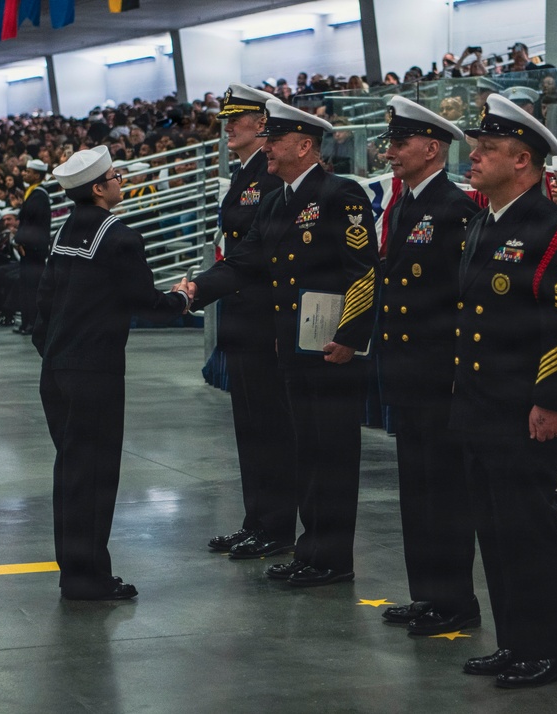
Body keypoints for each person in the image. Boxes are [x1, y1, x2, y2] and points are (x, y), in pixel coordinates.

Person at [187, 99, 380, 588]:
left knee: (332, 458)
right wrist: (193, 291)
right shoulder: (276, 201)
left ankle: (333, 557)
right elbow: (245, 262)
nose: (266, 148)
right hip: (292, 346)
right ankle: (311, 550)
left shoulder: (342, 194)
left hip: (332, 349)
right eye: (267, 139)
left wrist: (350, 338)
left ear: (304, 146)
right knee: (309, 453)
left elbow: (363, 273)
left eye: (275, 141)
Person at [454, 93, 557, 688]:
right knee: (494, 529)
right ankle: (513, 643)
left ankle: (546, 651)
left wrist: (552, 399)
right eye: (477, 147)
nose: (475, 157)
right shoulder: (485, 221)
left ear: (524, 162)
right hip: (481, 404)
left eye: (488, 150)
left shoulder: (552, 229)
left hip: (524, 408)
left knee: (528, 532)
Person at [32, 145, 193, 601]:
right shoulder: (118, 235)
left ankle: (75, 573)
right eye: (116, 177)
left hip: (57, 371)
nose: (121, 181)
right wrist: (182, 298)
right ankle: (89, 579)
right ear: (100, 188)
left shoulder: (65, 232)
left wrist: (55, 354)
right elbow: (143, 301)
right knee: (97, 477)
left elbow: (43, 309)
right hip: (95, 374)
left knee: (71, 475)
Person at [374, 96, 482, 636]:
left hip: (440, 375)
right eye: (391, 143)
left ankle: (455, 600)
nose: (390, 152)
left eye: (400, 143)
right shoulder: (409, 205)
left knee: (445, 493)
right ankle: (428, 594)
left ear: (432, 148)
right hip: (410, 374)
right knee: (417, 492)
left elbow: (463, 300)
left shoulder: (454, 210)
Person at [205, 83, 296, 560]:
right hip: (241, 315)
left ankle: (277, 526)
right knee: (249, 428)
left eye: (234, 120)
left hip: (264, 316)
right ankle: (256, 519)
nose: (227, 128)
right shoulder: (247, 172)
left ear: (261, 124)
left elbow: (260, 251)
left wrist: (199, 288)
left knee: (270, 429)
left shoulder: (272, 172)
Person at [13, 158, 51, 336]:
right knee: (26, 288)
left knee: (33, 288)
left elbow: (32, 224)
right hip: (28, 249)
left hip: (33, 250)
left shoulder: (39, 195)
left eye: (28, 171)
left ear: (37, 175)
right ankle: (27, 322)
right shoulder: (32, 193)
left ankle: (33, 323)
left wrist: (22, 241)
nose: (25, 174)